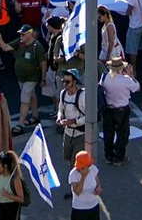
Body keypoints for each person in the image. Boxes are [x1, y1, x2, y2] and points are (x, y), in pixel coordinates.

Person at [0, 24, 47, 128]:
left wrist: (43, 79)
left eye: (23, 34)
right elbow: (5, 48)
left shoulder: (37, 47)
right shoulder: (19, 42)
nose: (21, 36)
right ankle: (35, 116)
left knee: (24, 99)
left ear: (29, 34)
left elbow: (43, 63)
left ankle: (20, 124)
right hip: (21, 78)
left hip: (31, 77)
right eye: (20, 34)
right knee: (31, 95)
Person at [99, 56, 140, 165]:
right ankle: (119, 157)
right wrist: (132, 76)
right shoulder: (126, 80)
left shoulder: (104, 77)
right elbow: (137, 88)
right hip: (122, 110)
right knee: (123, 134)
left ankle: (108, 156)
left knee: (108, 133)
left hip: (108, 109)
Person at [55, 68, 86, 198]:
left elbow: (89, 117)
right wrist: (59, 117)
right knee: (69, 159)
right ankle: (75, 186)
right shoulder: (63, 94)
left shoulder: (82, 96)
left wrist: (73, 121)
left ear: (75, 82)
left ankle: (76, 190)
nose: (65, 84)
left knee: (76, 163)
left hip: (80, 134)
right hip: (68, 133)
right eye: (63, 81)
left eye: (67, 81)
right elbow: (60, 108)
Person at [0, 149, 25, 220]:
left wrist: (7, 195)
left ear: (5, 166)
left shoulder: (15, 179)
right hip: (0, 206)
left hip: (11, 208)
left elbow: (21, 199)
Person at [68, 149, 102, 218]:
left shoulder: (93, 168)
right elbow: (77, 192)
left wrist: (98, 188)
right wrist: (83, 177)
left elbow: (98, 183)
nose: (89, 167)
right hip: (80, 208)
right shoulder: (73, 174)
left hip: (94, 205)